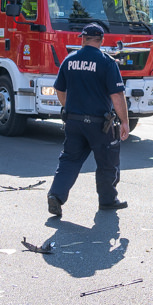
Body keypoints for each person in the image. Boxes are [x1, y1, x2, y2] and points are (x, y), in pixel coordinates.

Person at [47, 23, 130, 218]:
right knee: (107, 162)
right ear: (101, 41)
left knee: (69, 160)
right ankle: (108, 200)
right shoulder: (107, 63)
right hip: (100, 124)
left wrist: (69, 107)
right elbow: (117, 96)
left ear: (82, 38)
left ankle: (56, 196)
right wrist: (124, 121)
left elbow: (60, 89)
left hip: (74, 122)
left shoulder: (69, 60)